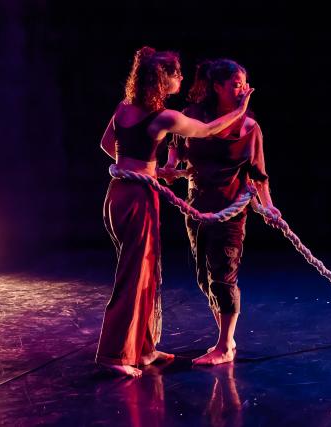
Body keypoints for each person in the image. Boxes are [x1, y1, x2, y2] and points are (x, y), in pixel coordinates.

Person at [97, 48, 254, 377]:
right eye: (176, 73)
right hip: (137, 196)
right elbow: (209, 130)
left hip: (121, 192)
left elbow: (107, 143)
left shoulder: (125, 108)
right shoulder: (163, 117)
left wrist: (144, 167)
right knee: (134, 274)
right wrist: (240, 109)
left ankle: (141, 350)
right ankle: (115, 355)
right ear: (160, 78)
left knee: (147, 270)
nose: (181, 78)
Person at [162, 59, 281, 365]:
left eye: (244, 82)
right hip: (196, 206)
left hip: (230, 210)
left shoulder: (250, 128)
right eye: (236, 84)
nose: (243, 89)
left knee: (223, 276)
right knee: (204, 278)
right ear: (218, 87)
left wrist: (268, 208)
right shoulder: (192, 117)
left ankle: (225, 346)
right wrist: (171, 169)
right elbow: (177, 150)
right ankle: (226, 337)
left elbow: (258, 174)